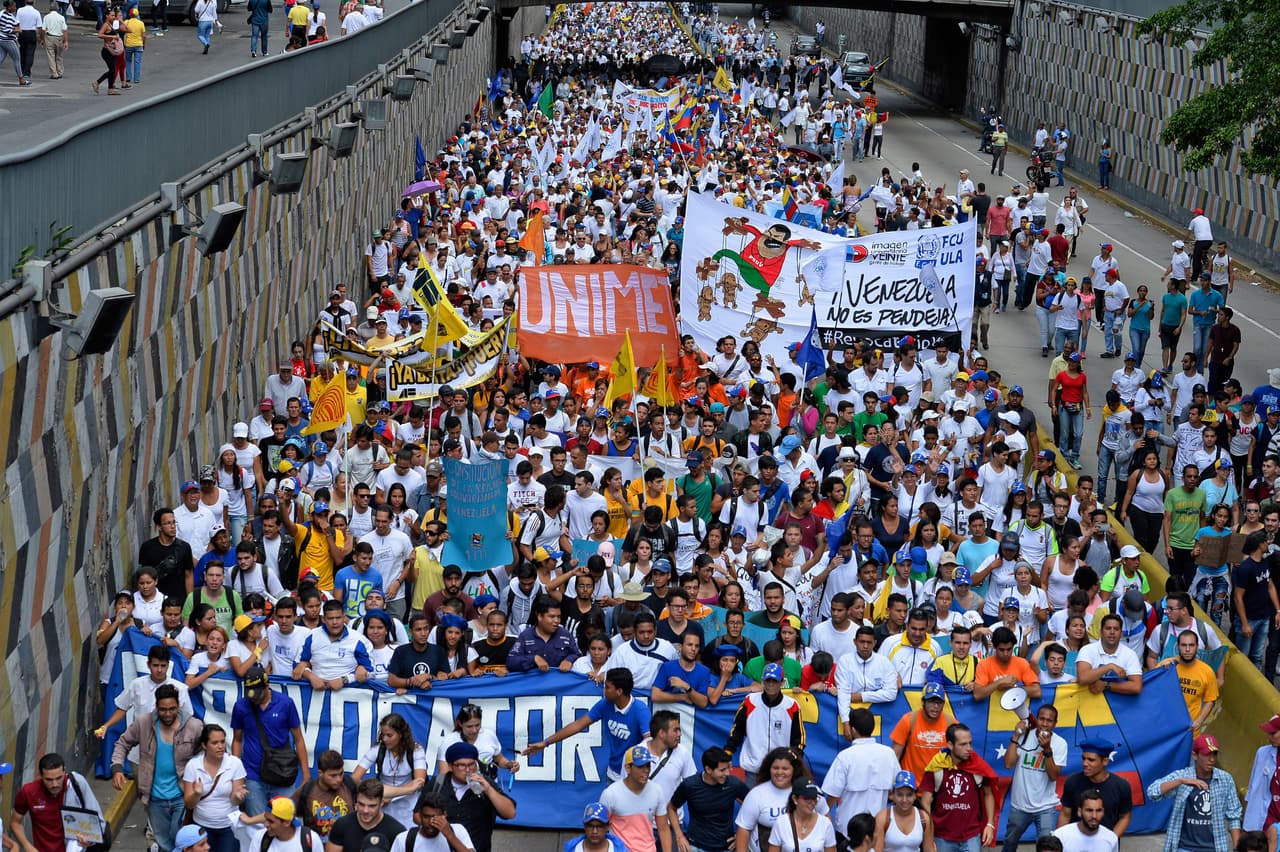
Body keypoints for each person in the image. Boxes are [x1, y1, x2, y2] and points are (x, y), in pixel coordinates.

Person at [110, 684, 204, 852]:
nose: (167, 714)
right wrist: (117, 768)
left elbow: (204, 754)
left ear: (179, 706)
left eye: (172, 709)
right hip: (154, 798)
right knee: (163, 842)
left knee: (180, 839)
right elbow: (123, 743)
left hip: (182, 796)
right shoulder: (143, 723)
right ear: (156, 707)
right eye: (163, 710)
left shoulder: (194, 726)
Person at [524, 668, 648, 781]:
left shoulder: (640, 710)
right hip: (614, 774)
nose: (603, 690)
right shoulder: (605, 704)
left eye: (607, 687)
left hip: (636, 777)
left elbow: (650, 741)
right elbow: (578, 725)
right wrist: (545, 743)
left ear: (619, 691)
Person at [230, 665, 309, 816]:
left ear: (267, 686)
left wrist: (306, 775)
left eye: (257, 694)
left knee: (285, 822)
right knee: (257, 828)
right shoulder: (241, 706)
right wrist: (235, 773)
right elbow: (237, 740)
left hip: (282, 774)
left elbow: (298, 739)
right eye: (250, 694)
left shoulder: (286, 703)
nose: (254, 699)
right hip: (253, 775)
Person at [1146, 734, 1243, 852]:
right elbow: (1152, 792)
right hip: (1184, 847)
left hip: (1214, 847)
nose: (1212, 759)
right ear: (1195, 755)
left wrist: (1237, 848)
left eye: (1214, 754)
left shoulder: (1225, 779)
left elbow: (1234, 816)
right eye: (1207, 754)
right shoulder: (1183, 776)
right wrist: (1180, 781)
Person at [821, 708, 898, 846]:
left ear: (853, 730)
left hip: (847, 833)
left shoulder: (845, 756)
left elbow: (832, 793)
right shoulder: (889, 754)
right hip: (877, 831)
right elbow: (897, 789)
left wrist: (823, 816)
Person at [918, 723, 998, 852]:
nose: (969, 748)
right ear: (950, 745)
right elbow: (925, 802)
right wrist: (928, 835)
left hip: (971, 836)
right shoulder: (936, 766)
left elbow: (988, 794)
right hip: (941, 836)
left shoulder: (977, 765)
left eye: (970, 743)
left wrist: (990, 824)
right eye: (963, 744)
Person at [427, 742, 516, 852]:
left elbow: (510, 813)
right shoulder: (438, 783)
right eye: (462, 765)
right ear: (450, 766)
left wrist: (488, 790)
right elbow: (417, 815)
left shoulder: (485, 783)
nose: (468, 770)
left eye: (471, 764)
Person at [1001, 705, 1067, 851]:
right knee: (1010, 842)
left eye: (1049, 721)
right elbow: (1008, 764)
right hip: (1020, 806)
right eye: (1041, 719)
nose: (1044, 723)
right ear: (1036, 719)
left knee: (1047, 847)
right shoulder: (1025, 736)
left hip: (1045, 807)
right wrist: (1016, 736)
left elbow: (1053, 776)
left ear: (1055, 723)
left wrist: (1047, 750)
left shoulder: (1060, 743)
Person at [10, 754, 106, 852]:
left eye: (59, 778)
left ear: (64, 772)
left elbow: (98, 821)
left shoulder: (77, 784)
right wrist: (27, 846)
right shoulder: (28, 792)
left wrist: (89, 841)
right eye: (49, 780)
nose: (55, 784)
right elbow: (15, 822)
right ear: (41, 776)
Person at [724, 663, 804, 775]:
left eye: (775, 681)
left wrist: (791, 760)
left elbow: (799, 739)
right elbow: (737, 730)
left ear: (782, 682)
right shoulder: (750, 701)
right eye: (768, 680)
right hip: (753, 768)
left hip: (780, 770)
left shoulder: (792, 705)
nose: (771, 684)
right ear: (762, 681)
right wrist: (728, 752)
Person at [351, 714, 427, 828]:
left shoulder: (416, 751)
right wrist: (372, 792)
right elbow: (355, 778)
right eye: (383, 735)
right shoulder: (377, 750)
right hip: (383, 804)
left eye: (389, 735)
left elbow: (420, 781)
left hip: (408, 805)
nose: (385, 739)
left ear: (401, 734)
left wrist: (391, 796)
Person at [668, 747, 749, 852]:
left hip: (726, 848)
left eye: (728, 768)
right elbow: (671, 808)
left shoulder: (734, 784)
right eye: (722, 770)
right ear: (708, 769)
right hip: (696, 847)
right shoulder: (689, 785)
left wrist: (741, 835)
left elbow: (755, 807)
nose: (727, 773)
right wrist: (679, 836)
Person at [182, 724, 248, 852]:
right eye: (215, 743)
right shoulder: (193, 766)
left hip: (229, 826)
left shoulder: (235, 763)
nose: (221, 746)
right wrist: (196, 793)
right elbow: (189, 804)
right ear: (204, 745)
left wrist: (237, 797)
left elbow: (236, 801)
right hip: (202, 826)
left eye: (223, 741)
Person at [598, 746, 672, 852]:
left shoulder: (657, 791)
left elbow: (663, 828)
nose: (646, 770)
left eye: (648, 766)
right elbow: (600, 829)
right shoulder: (610, 794)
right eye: (640, 766)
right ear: (628, 768)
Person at [1058, 741, 1133, 837]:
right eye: (1083, 758)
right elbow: (1065, 814)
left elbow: (1125, 817)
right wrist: (1058, 841)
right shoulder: (1073, 781)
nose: (1085, 763)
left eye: (1091, 760)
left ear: (1105, 761)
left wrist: (1110, 840)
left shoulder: (1121, 786)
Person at [293, 599, 372, 689]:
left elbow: (371, 671)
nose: (334, 622)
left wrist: (345, 680)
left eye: (338, 618)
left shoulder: (358, 640)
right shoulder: (312, 636)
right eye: (330, 618)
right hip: (315, 695)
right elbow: (297, 664)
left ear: (344, 617)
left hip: (349, 694)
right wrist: (311, 677)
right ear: (323, 619)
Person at [890, 681, 955, 781]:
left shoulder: (951, 722)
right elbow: (894, 757)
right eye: (931, 701)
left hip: (939, 788)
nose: (936, 706)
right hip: (912, 789)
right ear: (923, 702)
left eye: (939, 702)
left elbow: (960, 754)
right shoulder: (909, 720)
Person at [324, 778, 404, 852]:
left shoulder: (396, 832)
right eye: (361, 804)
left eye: (372, 806)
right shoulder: (341, 825)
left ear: (381, 803)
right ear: (356, 801)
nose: (365, 811)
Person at [505, 595, 581, 672]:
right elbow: (511, 661)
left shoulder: (566, 635)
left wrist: (569, 660)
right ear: (539, 616)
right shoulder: (525, 635)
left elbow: (577, 655)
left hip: (558, 682)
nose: (557, 621)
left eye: (558, 616)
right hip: (534, 682)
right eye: (552, 616)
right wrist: (533, 659)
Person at [294, 750, 357, 841]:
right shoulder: (307, 790)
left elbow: (375, 792)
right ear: (320, 773)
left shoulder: (350, 785)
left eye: (341, 773)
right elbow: (286, 811)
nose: (339, 779)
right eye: (333, 776)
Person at [765, 778, 836, 852]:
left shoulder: (825, 824)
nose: (812, 802)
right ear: (795, 799)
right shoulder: (781, 823)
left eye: (814, 798)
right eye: (807, 798)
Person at [388, 792, 474, 852]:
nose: (430, 822)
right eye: (426, 817)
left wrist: (450, 835)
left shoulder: (457, 831)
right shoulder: (404, 839)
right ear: (420, 815)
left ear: (444, 815)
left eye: (435, 817)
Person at [873, 772, 933, 852]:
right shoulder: (882, 818)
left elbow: (929, 849)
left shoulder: (924, 818)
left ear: (915, 796)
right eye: (900, 795)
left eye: (909, 795)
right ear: (892, 796)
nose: (904, 800)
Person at [1244, 714, 1280, 840]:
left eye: (1273, 733)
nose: (1269, 737)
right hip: (1264, 820)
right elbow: (1253, 787)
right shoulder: (1262, 753)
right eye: (1268, 733)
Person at [1051, 789, 1118, 852]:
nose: (1094, 816)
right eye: (1089, 810)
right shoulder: (1060, 836)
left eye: (1098, 810)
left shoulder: (1111, 838)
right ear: (1080, 812)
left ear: (1103, 812)